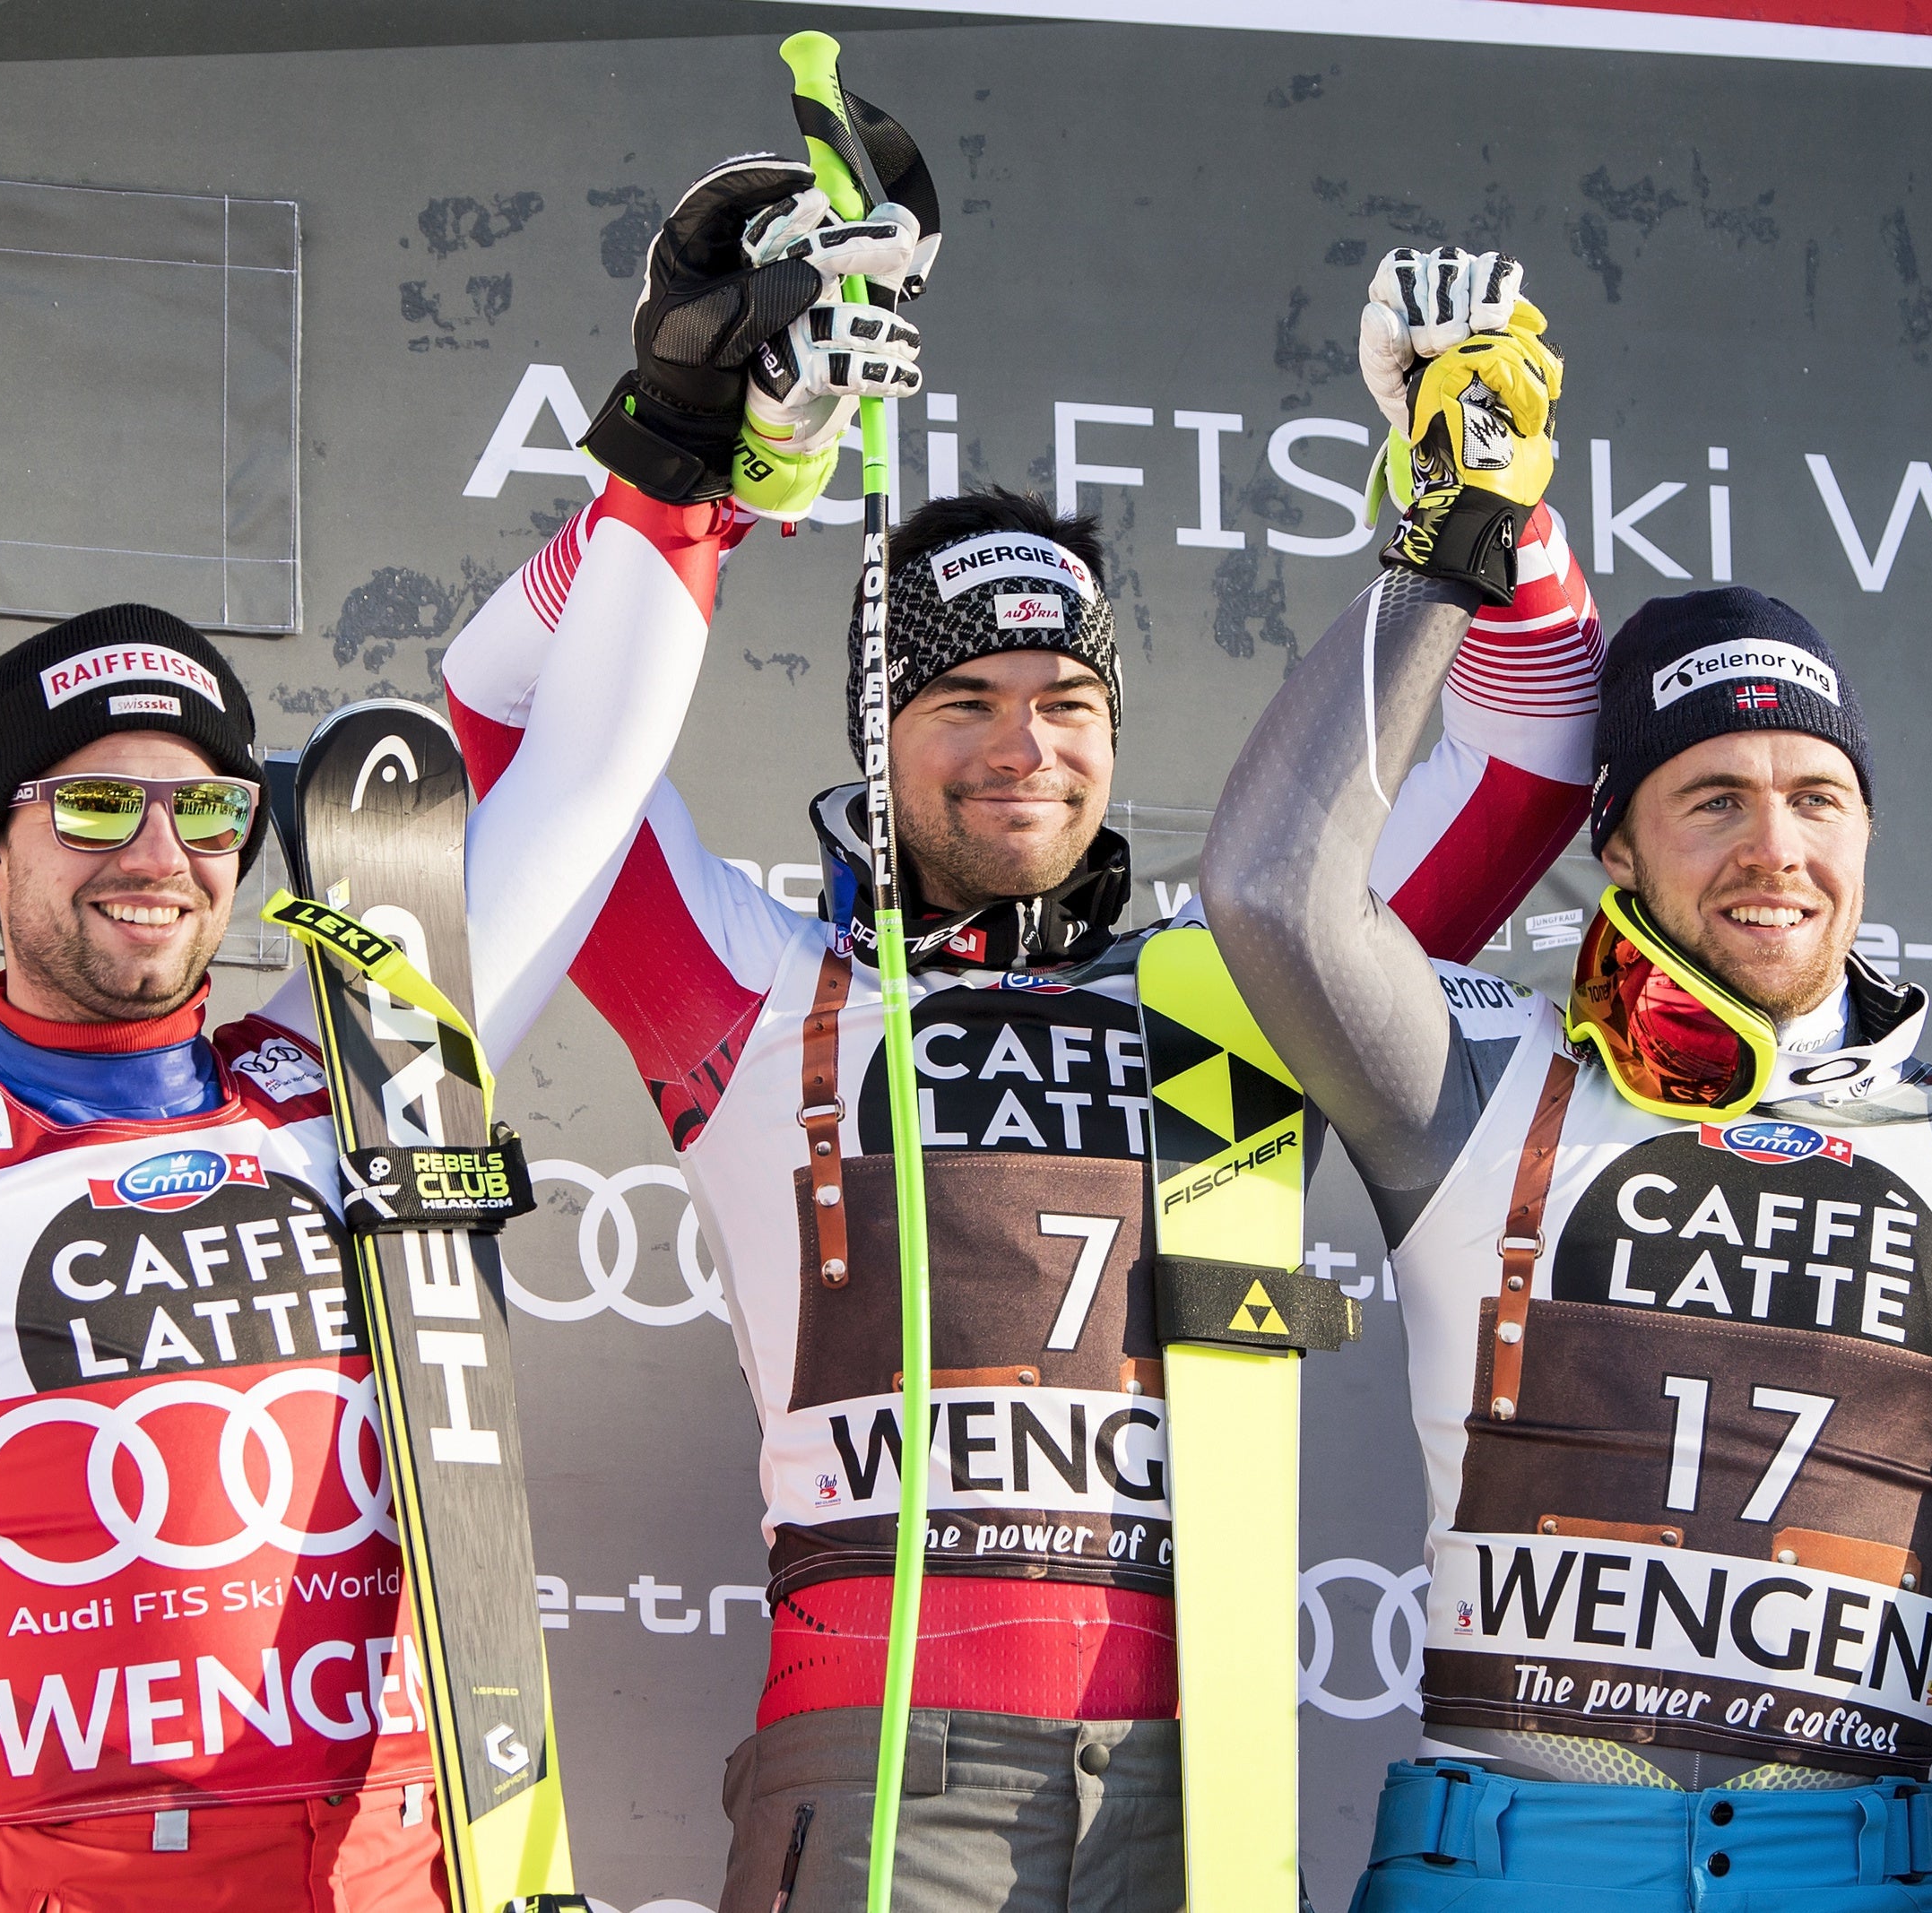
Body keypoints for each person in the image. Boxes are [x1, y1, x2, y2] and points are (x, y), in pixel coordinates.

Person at [0, 157, 923, 1913]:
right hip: (55, 1878)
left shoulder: (350, 1055)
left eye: (201, 814)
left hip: (389, 1862)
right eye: (93, 809)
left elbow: (581, 773)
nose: (159, 856)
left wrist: (669, 439)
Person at [442, 222, 1609, 1907]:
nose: (1025, 747)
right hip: (871, 1761)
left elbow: (1526, 767)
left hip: (1194, 1774)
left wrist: (1492, 491)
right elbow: (505, 733)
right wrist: (702, 463)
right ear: (878, 733)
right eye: (962, 700)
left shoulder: (1244, 987)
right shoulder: (762, 989)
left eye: (1068, 698)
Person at [1200, 258, 1932, 1912]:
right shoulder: (1478, 1075)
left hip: (1845, 1867)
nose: (1778, 846)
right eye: (1713, 800)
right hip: (1511, 1858)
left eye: (1818, 795)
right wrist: (1452, 540)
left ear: (1866, 830)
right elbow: (1277, 888)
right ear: (1613, 839)